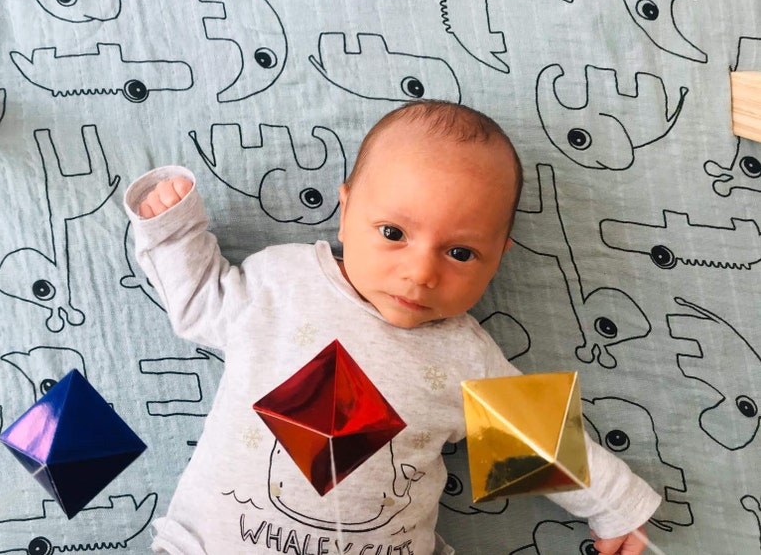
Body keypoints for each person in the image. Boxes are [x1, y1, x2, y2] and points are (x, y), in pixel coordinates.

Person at [125, 100, 661, 555]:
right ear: (345, 210)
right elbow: (198, 304)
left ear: (499, 258)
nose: (422, 272)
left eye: (460, 252)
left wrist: (615, 507)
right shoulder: (281, 283)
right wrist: (174, 229)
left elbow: (540, 444)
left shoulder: (464, 354)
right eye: (393, 232)